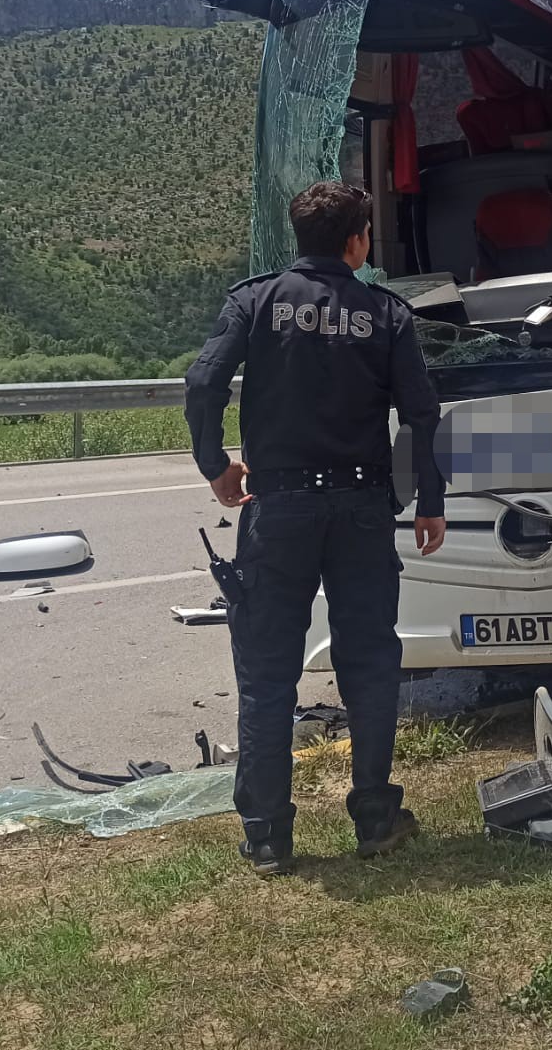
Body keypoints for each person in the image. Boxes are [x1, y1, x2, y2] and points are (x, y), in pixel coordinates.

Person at [184, 180, 446, 876]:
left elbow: (204, 382)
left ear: (299, 237)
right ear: (358, 241)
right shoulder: (385, 312)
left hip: (280, 509)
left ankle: (268, 835)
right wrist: (429, 499)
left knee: (269, 674)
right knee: (369, 664)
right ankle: (376, 818)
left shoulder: (255, 300)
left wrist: (215, 467)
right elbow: (423, 411)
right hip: (362, 510)